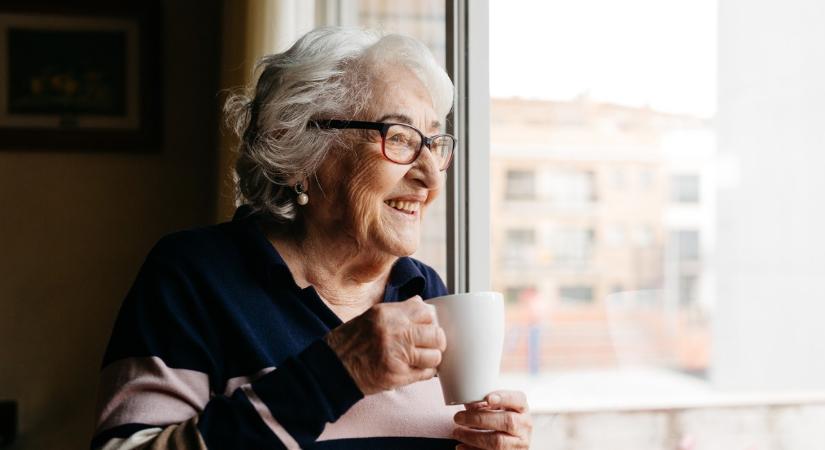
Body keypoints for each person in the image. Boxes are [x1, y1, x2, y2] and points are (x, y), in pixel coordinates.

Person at [92, 27, 532, 450]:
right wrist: (335, 373)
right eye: (399, 138)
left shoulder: (424, 292)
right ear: (298, 149)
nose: (429, 175)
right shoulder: (195, 276)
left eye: (434, 143)